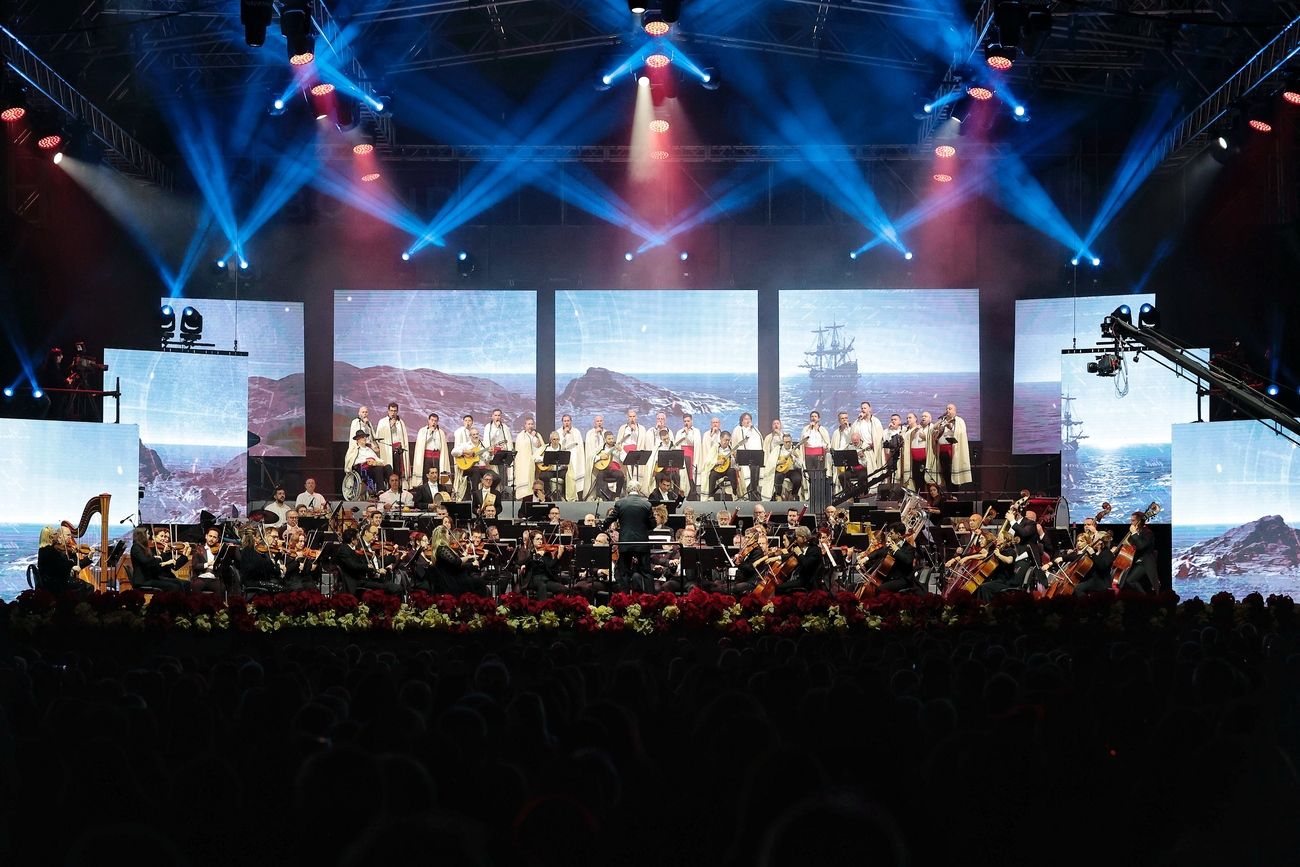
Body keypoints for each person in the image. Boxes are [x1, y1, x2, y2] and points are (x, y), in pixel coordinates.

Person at [603, 484, 654, 592]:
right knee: (646, 572)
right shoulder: (646, 504)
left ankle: (624, 599)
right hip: (642, 543)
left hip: (625, 542)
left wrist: (603, 526)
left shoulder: (620, 503)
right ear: (639, 490)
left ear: (627, 490)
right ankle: (651, 600)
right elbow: (652, 524)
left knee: (624, 572)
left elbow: (611, 518)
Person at [37, 525, 94, 595]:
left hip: (60, 580)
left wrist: (89, 557)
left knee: (87, 587)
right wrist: (71, 567)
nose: (70, 538)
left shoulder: (65, 550)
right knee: (87, 587)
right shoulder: (52, 550)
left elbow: (77, 565)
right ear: (60, 536)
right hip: (56, 583)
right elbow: (57, 568)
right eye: (68, 535)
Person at [129, 526, 189, 593]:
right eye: (147, 534)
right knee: (175, 586)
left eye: (166, 537)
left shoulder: (144, 548)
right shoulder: (137, 547)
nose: (149, 536)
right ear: (142, 535)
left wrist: (184, 555)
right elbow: (146, 562)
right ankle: (168, 602)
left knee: (183, 584)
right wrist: (159, 558)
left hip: (152, 577)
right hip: (144, 580)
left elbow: (174, 566)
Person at [930, 403, 973, 490]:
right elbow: (933, 430)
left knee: (953, 473)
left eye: (950, 409)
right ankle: (948, 492)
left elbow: (960, 433)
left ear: (955, 411)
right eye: (947, 409)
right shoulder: (943, 421)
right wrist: (940, 424)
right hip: (942, 450)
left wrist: (951, 427)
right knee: (945, 473)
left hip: (953, 450)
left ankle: (954, 494)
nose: (948, 410)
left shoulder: (959, 421)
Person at [1115, 510, 1159, 592]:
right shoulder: (1133, 533)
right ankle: (1143, 597)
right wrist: (1115, 547)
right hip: (1138, 561)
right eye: (1131, 520)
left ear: (1139, 521)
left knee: (1155, 586)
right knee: (1130, 580)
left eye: (1133, 520)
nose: (1131, 522)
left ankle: (1156, 600)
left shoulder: (1148, 532)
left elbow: (1141, 545)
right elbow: (1127, 545)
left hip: (1147, 561)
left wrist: (1134, 533)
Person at [774, 526, 824, 594]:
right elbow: (790, 556)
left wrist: (800, 554)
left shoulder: (815, 550)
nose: (795, 540)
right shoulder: (802, 548)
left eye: (797, 537)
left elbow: (806, 564)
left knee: (779, 588)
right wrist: (777, 557)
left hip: (808, 581)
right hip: (800, 578)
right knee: (779, 584)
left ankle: (783, 603)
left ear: (803, 538)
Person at [412, 413, 450, 488]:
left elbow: (442, 446)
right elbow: (421, 444)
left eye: (435, 421)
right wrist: (430, 433)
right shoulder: (423, 431)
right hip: (427, 457)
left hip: (437, 457)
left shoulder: (440, 432)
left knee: (436, 476)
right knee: (427, 475)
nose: (433, 422)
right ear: (428, 420)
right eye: (432, 420)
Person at [345, 430, 389, 495]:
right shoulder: (354, 449)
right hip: (363, 469)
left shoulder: (369, 449)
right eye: (362, 437)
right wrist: (366, 461)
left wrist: (382, 462)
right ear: (358, 439)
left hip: (373, 465)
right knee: (378, 468)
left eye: (365, 437)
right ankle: (380, 490)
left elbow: (377, 458)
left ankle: (392, 489)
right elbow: (352, 462)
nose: (365, 438)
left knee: (388, 467)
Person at [731, 413, 762, 500]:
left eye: (749, 419)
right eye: (745, 419)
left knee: (755, 475)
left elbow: (759, 441)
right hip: (743, 458)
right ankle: (746, 495)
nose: (748, 421)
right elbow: (734, 445)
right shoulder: (738, 429)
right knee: (746, 476)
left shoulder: (755, 430)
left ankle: (754, 494)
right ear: (741, 421)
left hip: (754, 457)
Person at [587, 430, 625, 501]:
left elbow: (624, 459)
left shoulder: (617, 448)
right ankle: (600, 497)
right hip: (604, 470)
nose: (611, 440)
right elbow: (592, 457)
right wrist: (600, 457)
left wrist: (621, 451)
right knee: (599, 475)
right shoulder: (601, 448)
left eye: (612, 439)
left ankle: (617, 495)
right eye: (609, 439)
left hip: (615, 470)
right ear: (605, 440)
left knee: (621, 475)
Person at [513, 417, 546, 499]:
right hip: (525, 462)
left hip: (535, 461)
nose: (530, 426)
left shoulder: (537, 435)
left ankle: (535, 495)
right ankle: (524, 495)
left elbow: (542, 446)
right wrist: (531, 437)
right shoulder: (521, 435)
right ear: (525, 425)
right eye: (529, 424)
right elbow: (523, 447)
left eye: (532, 424)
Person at [558, 414, 586, 502]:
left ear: (571, 421)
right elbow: (559, 446)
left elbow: (580, 446)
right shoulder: (559, 432)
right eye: (565, 421)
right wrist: (564, 434)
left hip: (575, 457)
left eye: (568, 421)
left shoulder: (576, 431)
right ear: (562, 422)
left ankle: (577, 496)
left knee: (576, 476)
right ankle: (567, 496)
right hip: (565, 458)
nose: (566, 423)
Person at [675, 413, 703, 501]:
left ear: (692, 421)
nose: (686, 423)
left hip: (691, 454)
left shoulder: (696, 431)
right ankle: (681, 495)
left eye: (688, 421)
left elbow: (694, 443)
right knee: (682, 475)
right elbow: (676, 444)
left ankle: (691, 495)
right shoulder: (679, 432)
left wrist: (687, 434)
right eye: (685, 421)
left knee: (690, 475)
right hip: (681, 454)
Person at [535, 430, 569, 502]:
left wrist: (564, 465)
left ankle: (563, 495)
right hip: (549, 470)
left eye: (557, 439)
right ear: (550, 440)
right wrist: (544, 458)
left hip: (560, 470)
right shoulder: (546, 448)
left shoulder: (562, 448)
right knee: (543, 476)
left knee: (567, 475)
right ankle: (547, 495)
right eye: (554, 439)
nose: (555, 441)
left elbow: (567, 461)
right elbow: (535, 458)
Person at [770, 433, 804, 502]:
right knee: (778, 476)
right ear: (783, 442)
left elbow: (800, 466)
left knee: (797, 479)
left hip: (792, 470)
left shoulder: (795, 450)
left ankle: (794, 494)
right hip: (781, 470)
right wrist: (779, 462)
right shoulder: (778, 450)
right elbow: (771, 462)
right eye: (786, 442)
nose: (788, 443)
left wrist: (796, 458)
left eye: (789, 442)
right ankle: (778, 495)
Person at [708, 430, 740, 501]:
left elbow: (735, 464)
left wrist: (735, 457)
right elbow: (709, 461)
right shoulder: (716, 448)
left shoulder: (731, 449)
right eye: (725, 440)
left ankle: (734, 494)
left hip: (727, 470)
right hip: (718, 470)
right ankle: (711, 496)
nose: (727, 442)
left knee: (732, 471)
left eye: (728, 440)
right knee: (712, 474)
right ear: (721, 439)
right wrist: (717, 462)